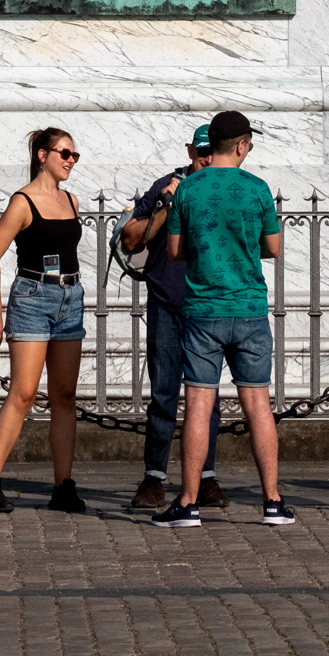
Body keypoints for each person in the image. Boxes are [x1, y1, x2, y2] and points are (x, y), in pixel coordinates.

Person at [152, 110, 293, 528]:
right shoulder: (257, 189)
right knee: (258, 405)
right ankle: (272, 501)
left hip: (203, 310)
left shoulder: (188, 190)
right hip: (248, 307)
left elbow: (175, 251)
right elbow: (274, 247)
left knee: (198, 405)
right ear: (241, 145)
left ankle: (189, 502)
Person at [0, 127, 88, 515]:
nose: (71, 160)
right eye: (65, 153)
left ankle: (63, 485)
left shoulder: (72, 199)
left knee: (65, 397)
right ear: (43, 155)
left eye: (74, 155)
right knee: (23, 393)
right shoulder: (23, 201)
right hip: (33, 297)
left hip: (70, 298)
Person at [118, 121, 225, 513]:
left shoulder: (224, 188)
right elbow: (132, 239)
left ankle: (207, 477)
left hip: (209, 304)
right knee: (164, 393)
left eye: (210, 153)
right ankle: (155, 477)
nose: (205, 160)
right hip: (167, 299)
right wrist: (166, 204)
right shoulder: (166, 184)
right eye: (199, 153)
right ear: (189, 152)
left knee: (207, 397)